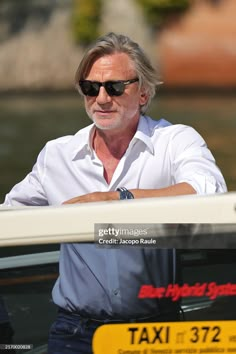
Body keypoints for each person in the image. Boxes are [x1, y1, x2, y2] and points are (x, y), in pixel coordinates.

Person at [2, 32, 227, 353]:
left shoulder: (176, 141)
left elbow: (208, 191)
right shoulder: (57, 156)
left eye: (115, 87)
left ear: (144, 94)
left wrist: (117, 200)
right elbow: (8, 217)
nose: (102, 98)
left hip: (155, 331)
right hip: (74, 330)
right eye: (91, 88)